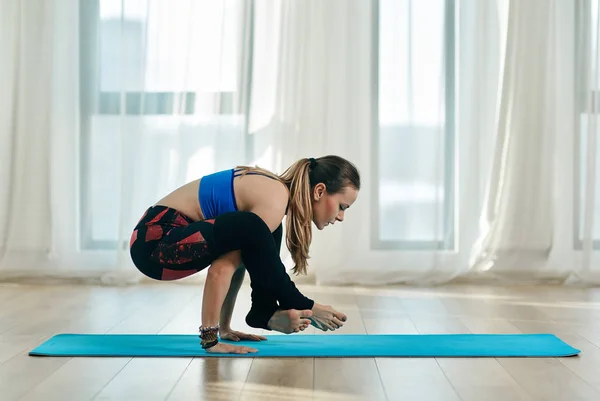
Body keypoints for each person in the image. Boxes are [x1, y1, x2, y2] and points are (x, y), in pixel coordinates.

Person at [129, 155, 360, 354]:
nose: (341, 217)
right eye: (342, 206)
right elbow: (220, 272)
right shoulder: (274, 200)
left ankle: (264, 309)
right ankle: (284, 304)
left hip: (158, 244)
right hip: (155, 244)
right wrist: (211, 340)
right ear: (319, 190)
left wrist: (225, 328)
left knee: (259, 231)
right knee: (253, 228)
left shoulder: (273, 200)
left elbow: (234, 263)